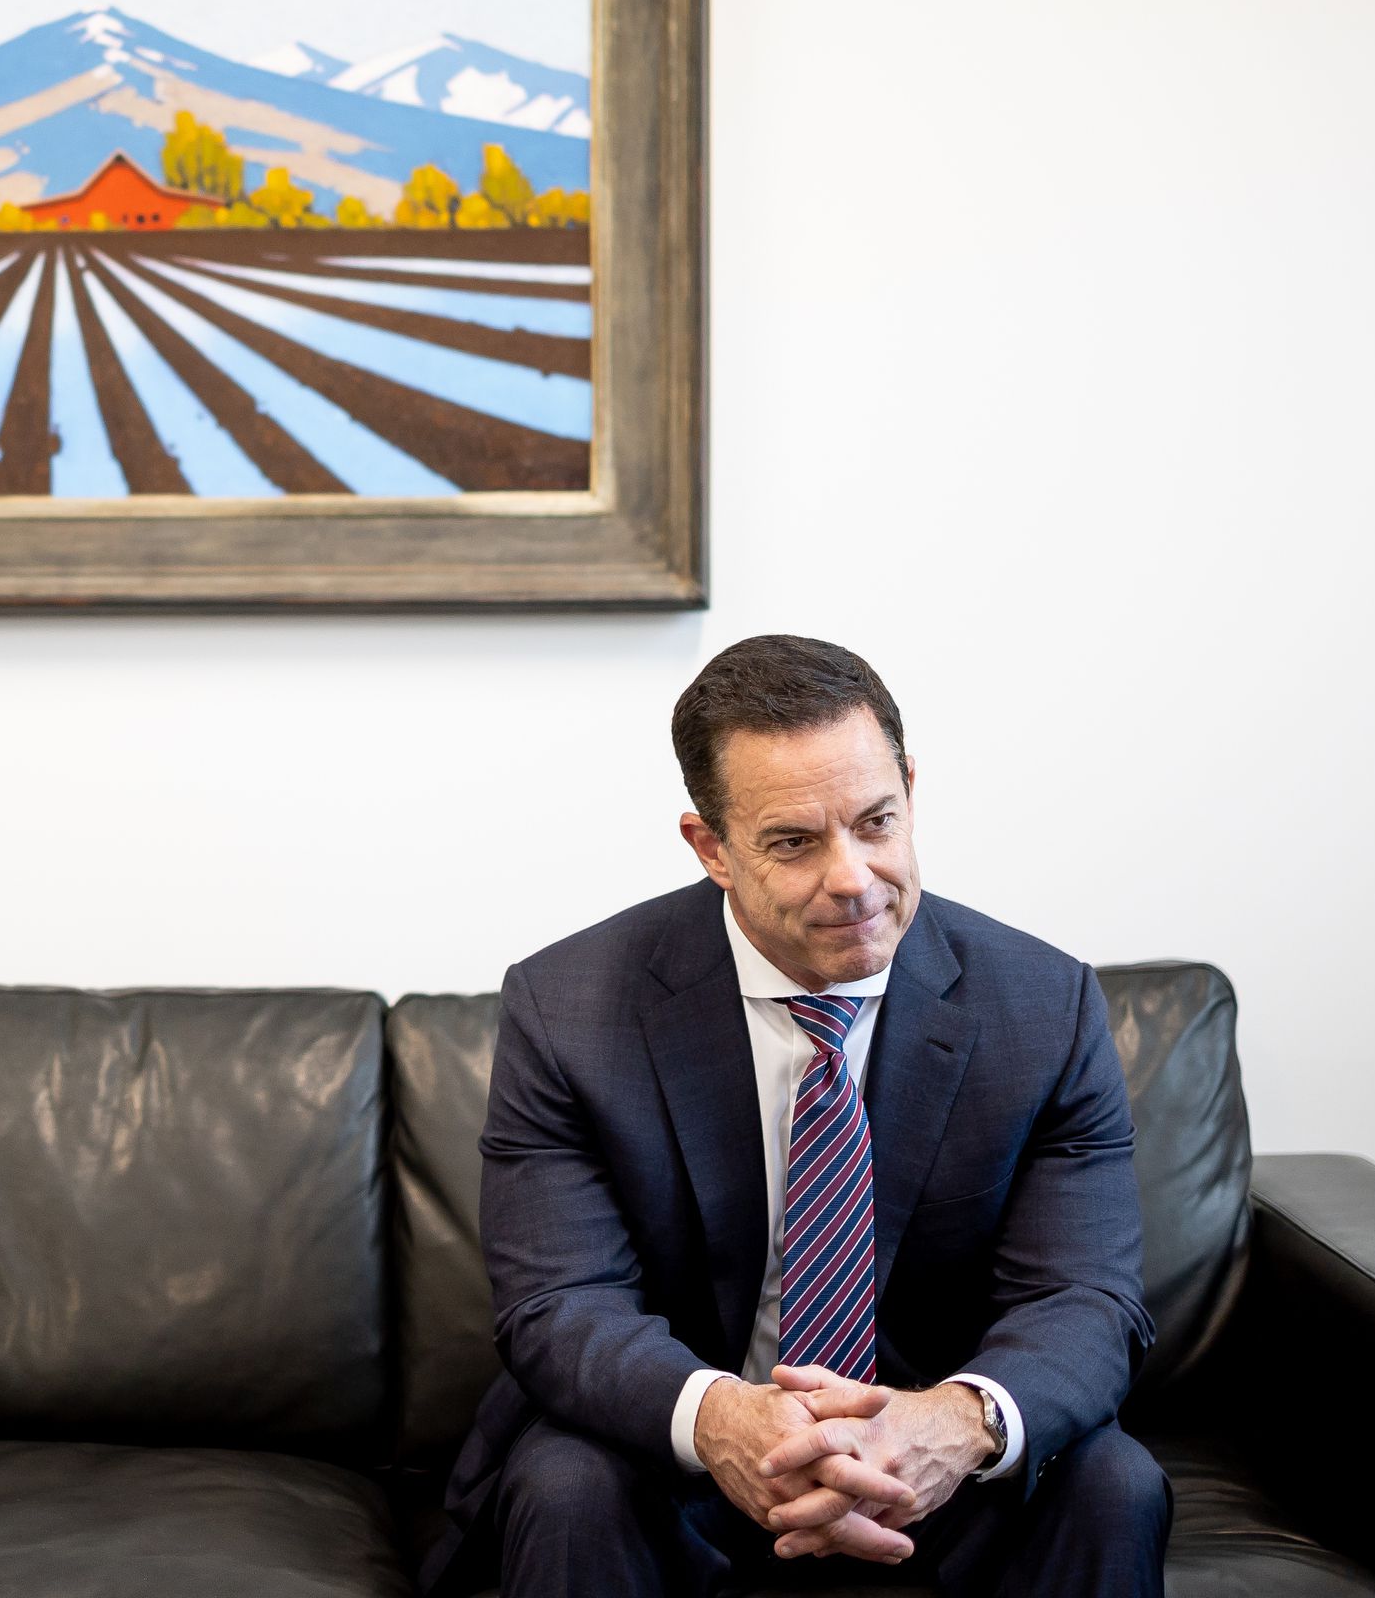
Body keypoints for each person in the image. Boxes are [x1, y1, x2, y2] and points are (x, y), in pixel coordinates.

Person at [426, 634, 1171, 1595]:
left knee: (1113, 1482)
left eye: (875, 822)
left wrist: (951, 1422)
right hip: (682, 1464)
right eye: (793, 841)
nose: (853, 877)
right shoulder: (568, 1008)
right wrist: (723, 1422)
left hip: (933, 1469)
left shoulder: (1044, 1007)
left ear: (909, 787)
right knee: (570, 1484)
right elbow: (558, 1303)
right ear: (712, 848)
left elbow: (1086, 1299)